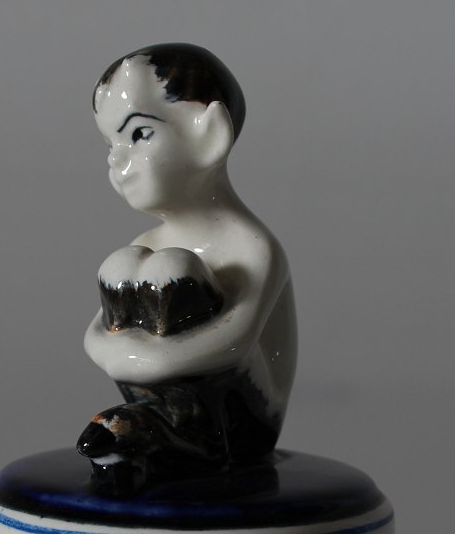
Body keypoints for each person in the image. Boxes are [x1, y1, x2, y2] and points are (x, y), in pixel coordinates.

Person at [78, 44, 297, 493]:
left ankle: (188, 441)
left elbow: (233, 340)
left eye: (138, 134)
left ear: (209, 136)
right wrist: (133, 357)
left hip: (241, 425)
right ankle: (153, 431)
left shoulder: (251, 245)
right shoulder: (144, 245)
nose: (117, 161)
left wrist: (141, 358)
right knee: (122, 265)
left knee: (174, 268)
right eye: (110, 144)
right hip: (160, 397)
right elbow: (95, 334)